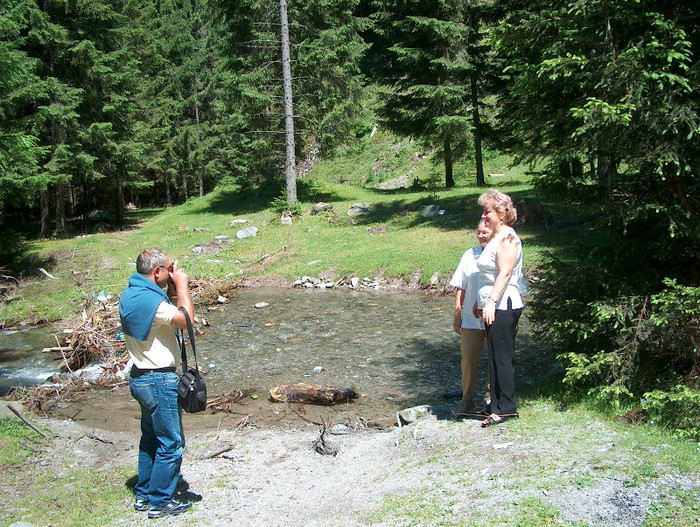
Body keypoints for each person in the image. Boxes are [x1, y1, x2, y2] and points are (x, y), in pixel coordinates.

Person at [119, 248, 195, 518]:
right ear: (156, 272)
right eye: (166, 270)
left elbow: (167, 308)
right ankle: (160, 501)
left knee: (151, 439)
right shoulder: (151, 302)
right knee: (171, 443)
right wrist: (183, 285)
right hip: (158, 379)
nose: (169, 273)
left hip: (140, 377)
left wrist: (172, 287)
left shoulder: (133, 293)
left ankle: (144, 495)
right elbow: (185, 320)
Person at [474, 189, 525, 427]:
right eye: (484, 213)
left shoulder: (507, 237)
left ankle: (506, 408)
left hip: (504, 304)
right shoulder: (497, 236)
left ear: (502, 214)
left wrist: (492, 301)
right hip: (492, 303)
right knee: (494, 356)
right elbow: (489, 275)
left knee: (503, 357)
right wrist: (480, 301)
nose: (484, 218)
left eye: (488, 213)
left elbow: (505, 274)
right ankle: (495, 405)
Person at [450, 220, 493, 414]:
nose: (481, 236)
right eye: (479, 232)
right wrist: (457, 314)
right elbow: (461, 286)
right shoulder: (470, 254)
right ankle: (467, 401)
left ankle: (491, 399)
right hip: (470, 318)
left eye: (485, 232)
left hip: (495, 315)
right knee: (468, 359)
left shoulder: (502, 253)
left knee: (495, 358)